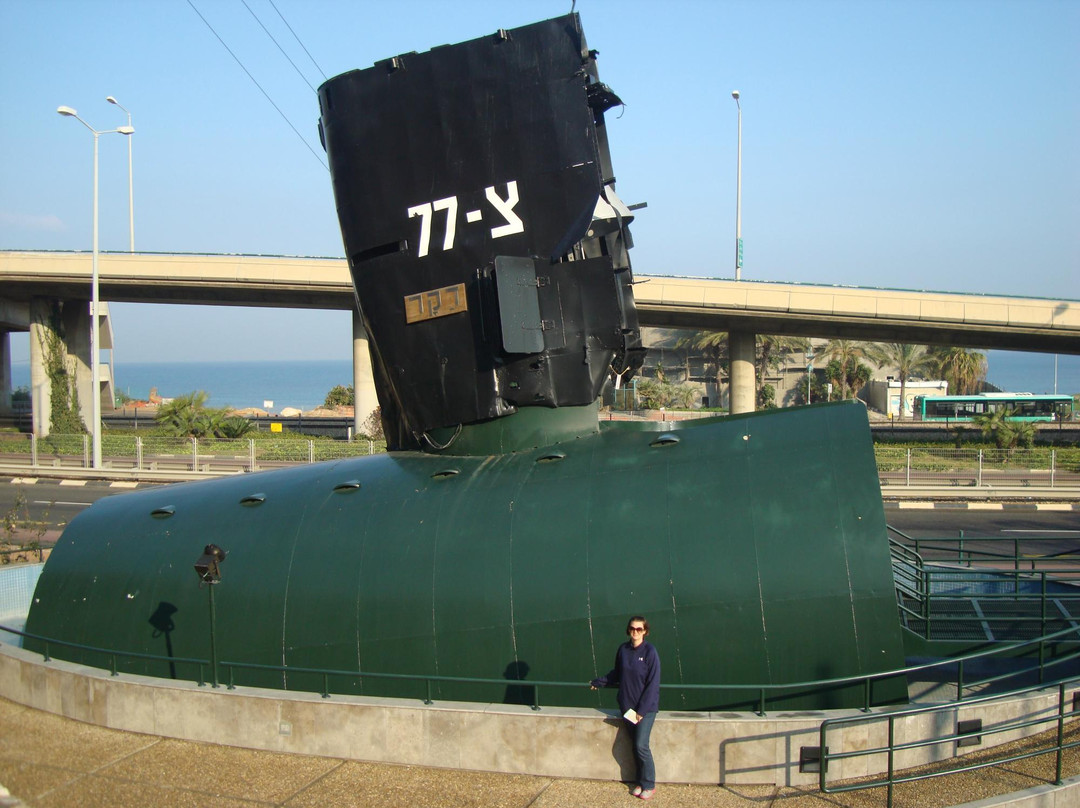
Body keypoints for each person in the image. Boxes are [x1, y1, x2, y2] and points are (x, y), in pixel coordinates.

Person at [590, 615, 661, 799]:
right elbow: (617, 673)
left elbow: (653, 684)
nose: (635, 632)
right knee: (634, 746)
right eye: (632, 628)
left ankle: (649, 784)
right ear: (628, 629)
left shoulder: (650, 651)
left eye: (639, 629)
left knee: (641, 745)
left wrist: (642, 711)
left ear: (645, 631)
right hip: (628, 708)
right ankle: (639, 781)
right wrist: (599, 682)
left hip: (645, 710)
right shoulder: (623, 649)